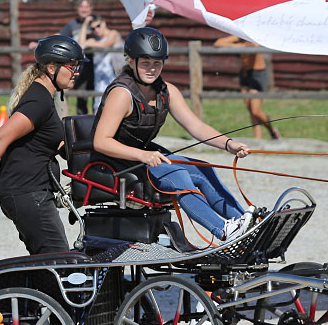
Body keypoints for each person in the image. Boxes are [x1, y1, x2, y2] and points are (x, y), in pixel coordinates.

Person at [92, 27, 254, 243]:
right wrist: (143, 156)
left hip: (145, 157)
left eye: (157, 63)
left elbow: (195, 126)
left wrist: (228, 144)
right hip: (117, 162)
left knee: (203, 169)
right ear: (131, 61)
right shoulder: (122, 94)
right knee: (178, 176)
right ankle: (224, 230)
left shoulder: (166, 91)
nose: (152, 69)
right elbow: (101, 141)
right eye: (145, 63)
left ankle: (245, 222)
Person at [0, 36, 85, 255]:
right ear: (51, 68)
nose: (76, 71)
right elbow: (0, 138)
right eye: (71, 66)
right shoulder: (38, 101)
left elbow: (50, 140)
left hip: (32, 191)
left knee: (48, 259)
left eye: (77, 66)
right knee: (57, 259)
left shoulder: (44, 96)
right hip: (26, 192)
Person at [212, 35, 281, 140]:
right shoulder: (240, 37)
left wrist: (241, 46)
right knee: (250, 109)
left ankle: (272, 131)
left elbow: (255, 47)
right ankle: (258, 138)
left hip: (257, 74)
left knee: (255, 111)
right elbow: (218, 43)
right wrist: (240, 46)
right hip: (245, 74)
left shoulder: (255, 37)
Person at [77, 16, 123, 112]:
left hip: (114, 77)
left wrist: (88, 43)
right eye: (93, 28)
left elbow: (105, 45)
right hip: (99, 81)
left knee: (114, 108)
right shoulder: (94, 40)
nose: (96, 30)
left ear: (103, 22)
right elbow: (80, 45)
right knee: (98, 109)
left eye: (98, 26)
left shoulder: (113, 33)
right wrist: (85, 24)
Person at [59, 0, 95, 115]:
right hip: (81, 64)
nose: (84, 9)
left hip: (96, 64)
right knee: (81, 95)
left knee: (98, 95)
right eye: (81, 7)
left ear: (91, 8)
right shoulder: (72, 24)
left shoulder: (96, 22)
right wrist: (41, 41)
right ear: (77, 9)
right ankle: (82, 122)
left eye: (86, 6)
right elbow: (61, 36)